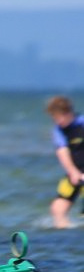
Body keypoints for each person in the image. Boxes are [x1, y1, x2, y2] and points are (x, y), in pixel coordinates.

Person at [45, 95, 84, 228]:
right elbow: (62, 151)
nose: (57, 121)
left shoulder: (82, 123)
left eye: (58, 117)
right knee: (57, 208)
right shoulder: (58, 131)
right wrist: (73, 172)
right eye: (54, 118)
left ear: (68, 113)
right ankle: (66, 236)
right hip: (74, 172)